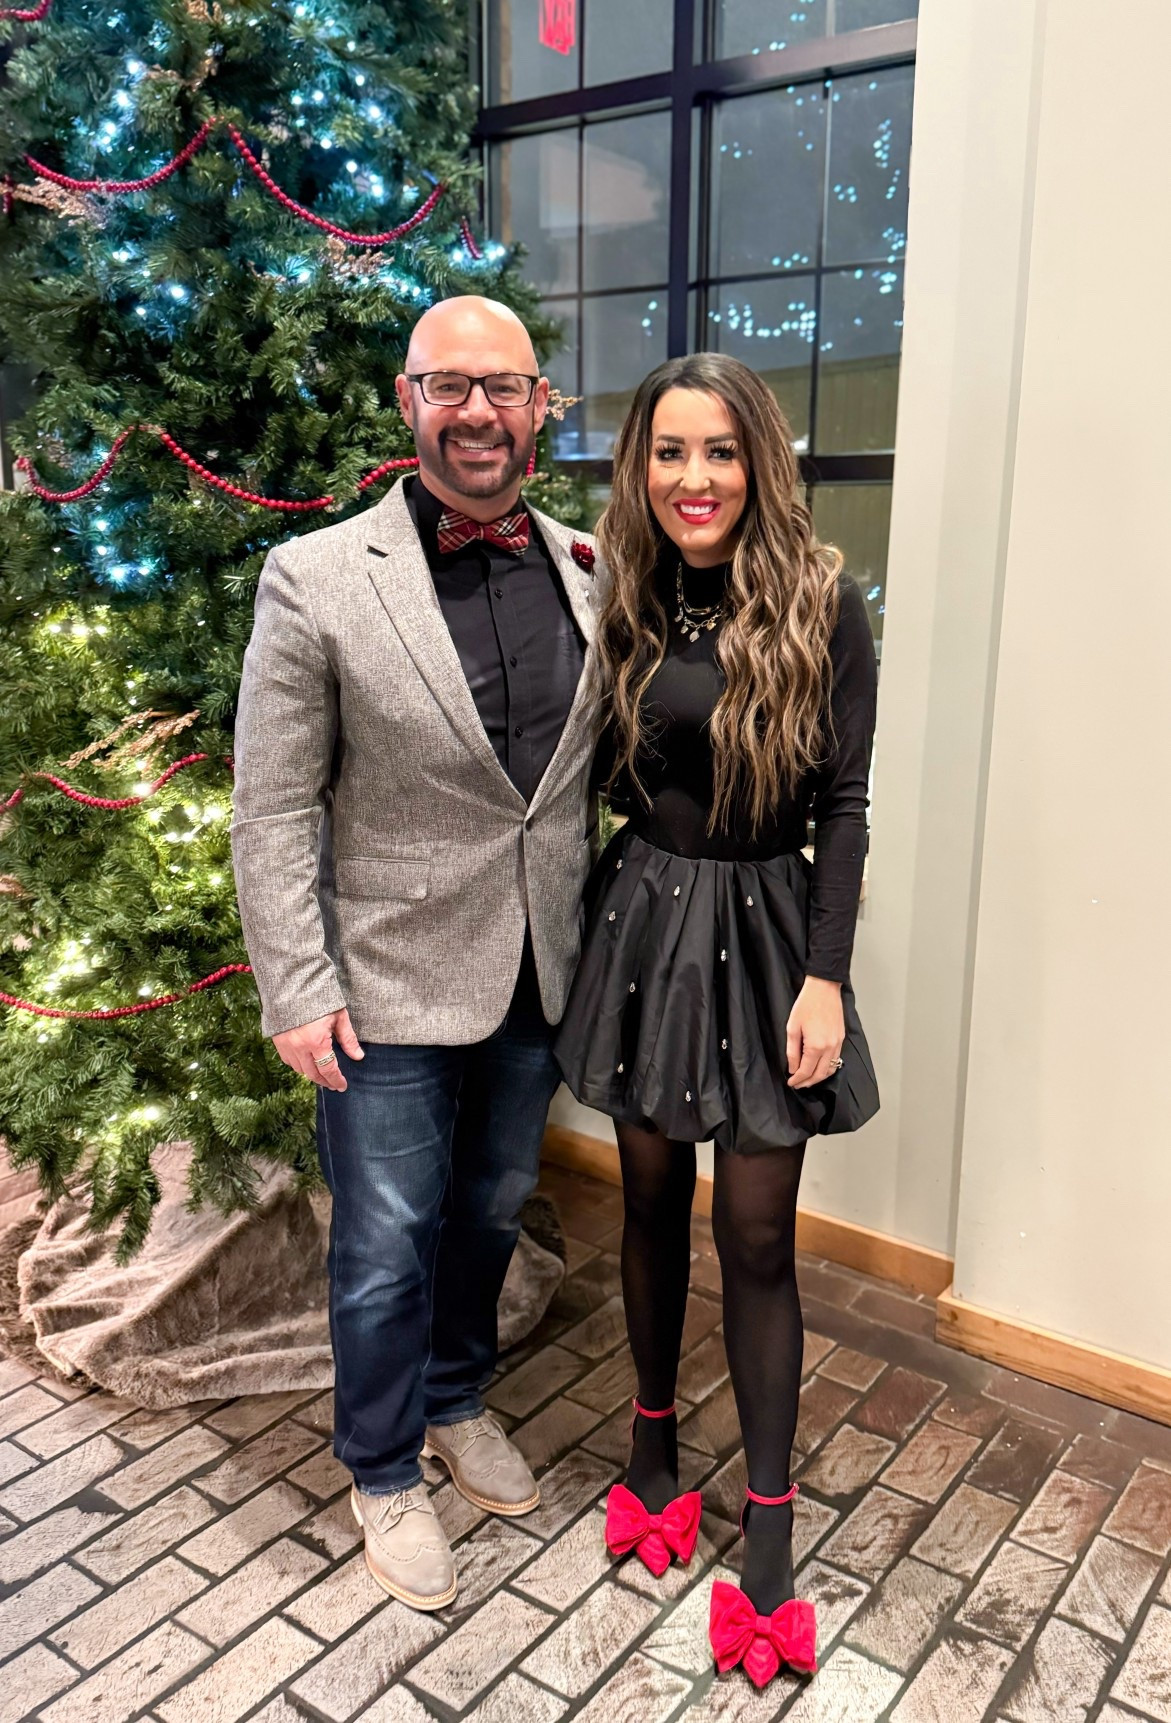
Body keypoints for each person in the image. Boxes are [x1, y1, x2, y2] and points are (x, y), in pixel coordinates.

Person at [231, 295, 604, 1612]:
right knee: (384, 1241)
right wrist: (296, 982)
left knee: (491, 1212)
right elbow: (272, 805)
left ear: (540, 404)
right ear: (409, 402)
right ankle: (382, 1470)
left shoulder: (589, 567)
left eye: (503, 387)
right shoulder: (318, 577)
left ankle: (455, 1400)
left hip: (533, 979)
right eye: (450, 386)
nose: (479, 412)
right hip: (379, 986)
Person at [555, 352, 879, 1686]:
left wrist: (827, 975)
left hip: (761, 937)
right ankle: (646, 1450)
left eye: (721, 452)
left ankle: (770, 1532)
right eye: (670, 452)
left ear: (763, 460)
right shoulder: (623, 595)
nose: (696, 479)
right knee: (641, 1207)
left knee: (755, 1238)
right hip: (641, 921)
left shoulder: (820, 600)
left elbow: (845, 808)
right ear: (644, 465)